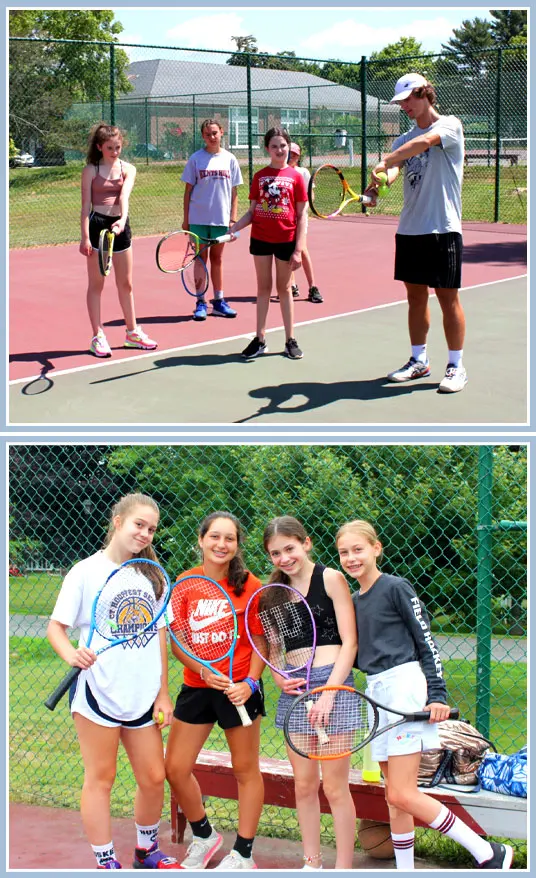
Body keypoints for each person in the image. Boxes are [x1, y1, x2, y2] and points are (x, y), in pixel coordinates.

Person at [335, 519, 513, 870]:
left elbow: (426, 641)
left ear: (376, 548)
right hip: (378, 692)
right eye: (344, 552)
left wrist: (437, 694)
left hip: (405, 688)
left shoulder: (396, 587)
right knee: (394, 799)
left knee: (403, 792)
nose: (352, 558)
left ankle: (487, 852)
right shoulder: (354, 600)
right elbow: (357, 653)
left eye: (358, 549)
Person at [46, 493, 178, 870]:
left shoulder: (153, 575)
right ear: (118, 521)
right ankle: (106, 862)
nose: (145, 534)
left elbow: (159, 637)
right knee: (101, 779)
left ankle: (145, 851)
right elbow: (56, 628)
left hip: (142, 694)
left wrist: (164, 694)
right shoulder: (85, 571)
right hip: (97, 692)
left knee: (154, 777)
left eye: (151, 529)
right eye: (139, 524)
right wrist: (70, 654)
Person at [165, 512, 266, 871]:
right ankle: (205, 836)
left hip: (239, 688)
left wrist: (249, 683)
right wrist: (202, 670)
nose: (222, 545)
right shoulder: (184, 583)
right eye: (215, 537)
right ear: (201, 539)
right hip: (198, 686)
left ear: (238, 544)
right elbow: (177, 641)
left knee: (245, 769)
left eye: (230, 538)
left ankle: (244, 853)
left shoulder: (250, 585)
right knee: (175, 768)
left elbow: (260, 641)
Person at [263, 516, 358, 870]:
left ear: (306, 543)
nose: (284, 557)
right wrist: (278, 677)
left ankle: (343, 868)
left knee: (335, 788)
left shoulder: (330, 578)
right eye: (275, 553)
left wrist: (331, 692)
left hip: (334, 685)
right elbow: (273, 648)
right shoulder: (272, 594)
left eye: (289, 548)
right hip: (297, 691)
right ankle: (311, 863)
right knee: (303, 786)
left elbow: (350, 643)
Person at [366, 73, 467, 393]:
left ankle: (456, 366)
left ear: (425, 94)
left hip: (443, 227)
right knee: (415, 297)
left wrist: (386, 159)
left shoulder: (449, 125)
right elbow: (395, 170)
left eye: (408, 100)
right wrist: (379, 183)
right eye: (401, 103)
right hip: (410, 229)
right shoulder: (401, 141)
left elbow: (422, 144)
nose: (404, 107)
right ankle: (418, 361)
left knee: (447, 299)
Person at [80, 123, 157, 358]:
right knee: (97, 284)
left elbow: (124, 195)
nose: (115, 151)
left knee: (126, 284)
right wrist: (84, 237)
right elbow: (85, 206)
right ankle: (98, 336)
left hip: (120, 228)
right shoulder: (90, 171)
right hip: (97, 228)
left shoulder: (128, 169)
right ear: (99, 147)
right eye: (110, 147)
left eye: (118, 147)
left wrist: (122, 220)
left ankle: (132, 333)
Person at [230, 128, 308, 360]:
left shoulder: (295, 177)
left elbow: (302, 215)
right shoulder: (260, 176)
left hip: (286, 239)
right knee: (263, 289)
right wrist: (233, 228)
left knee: (284, 290)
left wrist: (298, 250)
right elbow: (252, 212)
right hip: (261, 239)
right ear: (267, 149)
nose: (279, 150)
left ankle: (290, 340)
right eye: (274, 146)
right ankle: (260, 339)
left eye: (283, 145)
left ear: (289, 147)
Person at [181, 119, 242, 321]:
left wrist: (232, 220)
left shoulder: (230, 159)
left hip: (221, 220)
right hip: (198, 220)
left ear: (222, 132)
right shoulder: (196, 159)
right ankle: (200, 302)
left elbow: (234, 193)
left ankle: (218, 301)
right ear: (203, 136)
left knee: (217, 259)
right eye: (207, 134)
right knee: (200, 259)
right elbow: (187, 191)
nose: (212, 137)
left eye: (214, 132)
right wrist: (186, 220)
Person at [287, 143, 323, 304]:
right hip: (284, 218)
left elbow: (311, 196)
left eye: (295, 154)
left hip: (300, 218)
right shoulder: (280, 171)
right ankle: (292, 285)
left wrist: (302, 210)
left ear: (299, 156)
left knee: (302, 249)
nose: (291, 156)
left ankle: (313, 287)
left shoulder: (303, 172)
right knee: (287, 250)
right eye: (290, 153)